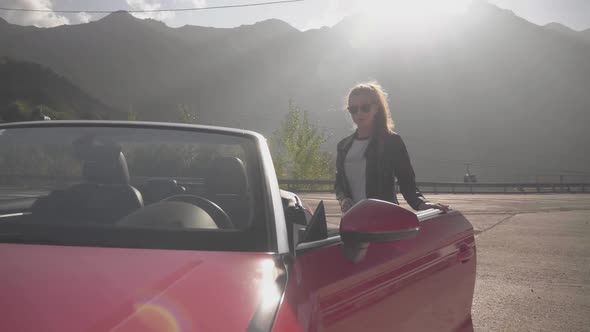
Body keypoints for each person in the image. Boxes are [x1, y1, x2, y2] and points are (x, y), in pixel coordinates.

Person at [335, 82, 449, 213]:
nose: (359, 113)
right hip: (352, 220)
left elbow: (407, 181)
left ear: (376, 108)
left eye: (365, 107)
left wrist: (421, 204)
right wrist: (344, 199)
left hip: (385, 217)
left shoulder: (391, 141)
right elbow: (339, 183)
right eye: (353, 109)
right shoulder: (343, 146)